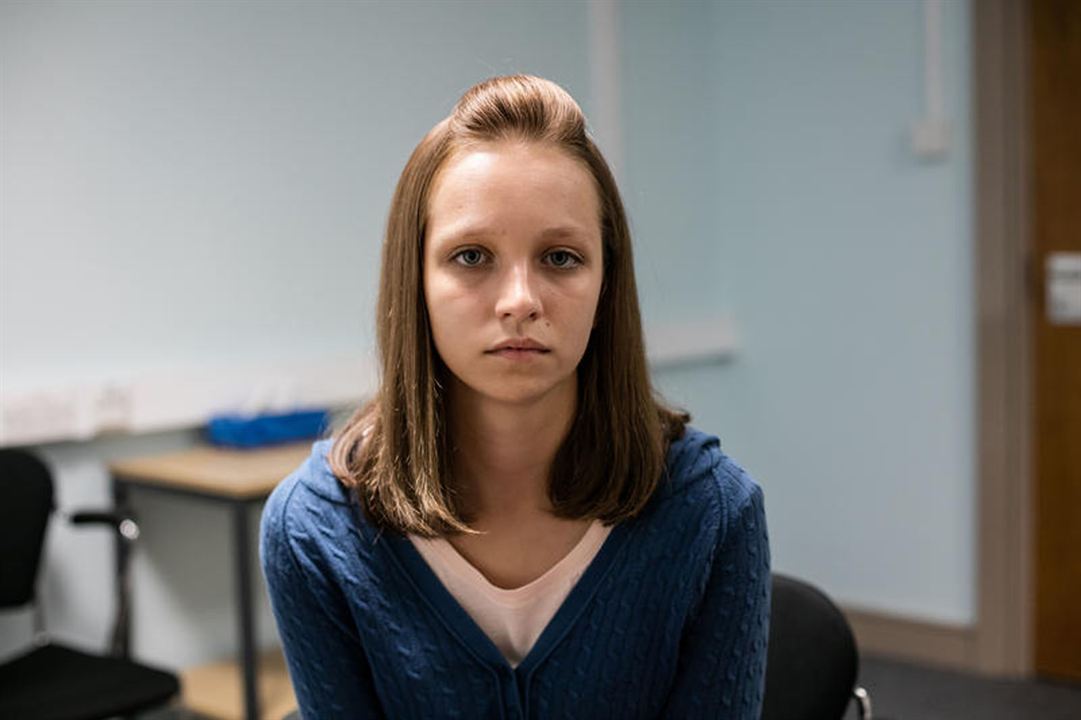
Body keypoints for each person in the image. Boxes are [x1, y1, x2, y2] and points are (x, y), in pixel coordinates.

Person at [260, 75, 770, 720]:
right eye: (472, 256)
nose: (520, 301)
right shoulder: (314, 528)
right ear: (414, 278)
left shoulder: (712, 512)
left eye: (560, 257)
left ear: (605, 283)